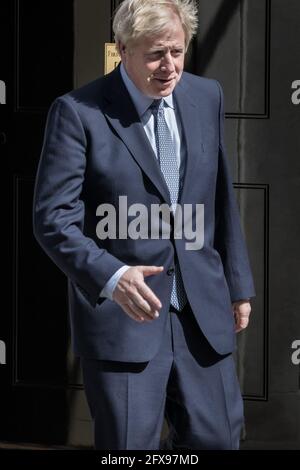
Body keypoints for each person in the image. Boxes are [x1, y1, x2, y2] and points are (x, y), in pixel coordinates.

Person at [33, 0, 255, 450]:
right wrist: (111, 277)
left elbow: (219, 197)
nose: (169, 66)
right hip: (124, 318)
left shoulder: (205, 95)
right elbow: (53, 218)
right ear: (123, 49)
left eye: (176, 51)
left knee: (219, 441)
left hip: (202, 313)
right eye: (155, 54)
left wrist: (237, 284)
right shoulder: (78, 112)